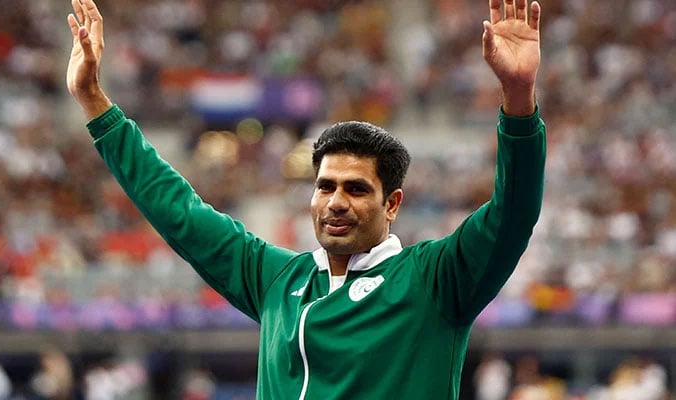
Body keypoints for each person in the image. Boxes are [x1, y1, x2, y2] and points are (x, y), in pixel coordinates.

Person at [65, 0, 545, 398]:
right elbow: (178, 212)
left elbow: (513, 213)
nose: (336, 201)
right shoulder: (278, 279)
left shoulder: (434, 280)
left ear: (392, 204)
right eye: (325, 186)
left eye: (357, 189)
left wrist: (519, 99)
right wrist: (93, 102)